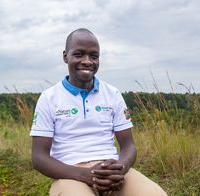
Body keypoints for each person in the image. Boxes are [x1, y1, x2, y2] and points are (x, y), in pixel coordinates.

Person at [30, 28, 167, 196]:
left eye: (94, 56)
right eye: (79, 54)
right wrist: (85, 175)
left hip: (112, 170)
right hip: (70, 175)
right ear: (65, 56)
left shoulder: (112, 94)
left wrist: (120, 168)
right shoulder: (49, 98)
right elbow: (39, 158)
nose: (87, 61)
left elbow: (129, 146)